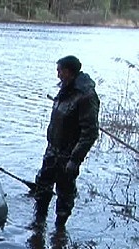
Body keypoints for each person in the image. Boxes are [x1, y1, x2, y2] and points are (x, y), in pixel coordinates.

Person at [33, 55, 100, 228]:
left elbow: (90, 133)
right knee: (42, 186)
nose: (58, 75)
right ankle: (38, 225)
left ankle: (59, 228)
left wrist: (75, 159)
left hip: (68, 154)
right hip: (52, 150)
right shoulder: (65, 89)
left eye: (60, 71)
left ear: (69, 72)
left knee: (64, 193)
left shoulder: (85, 96)